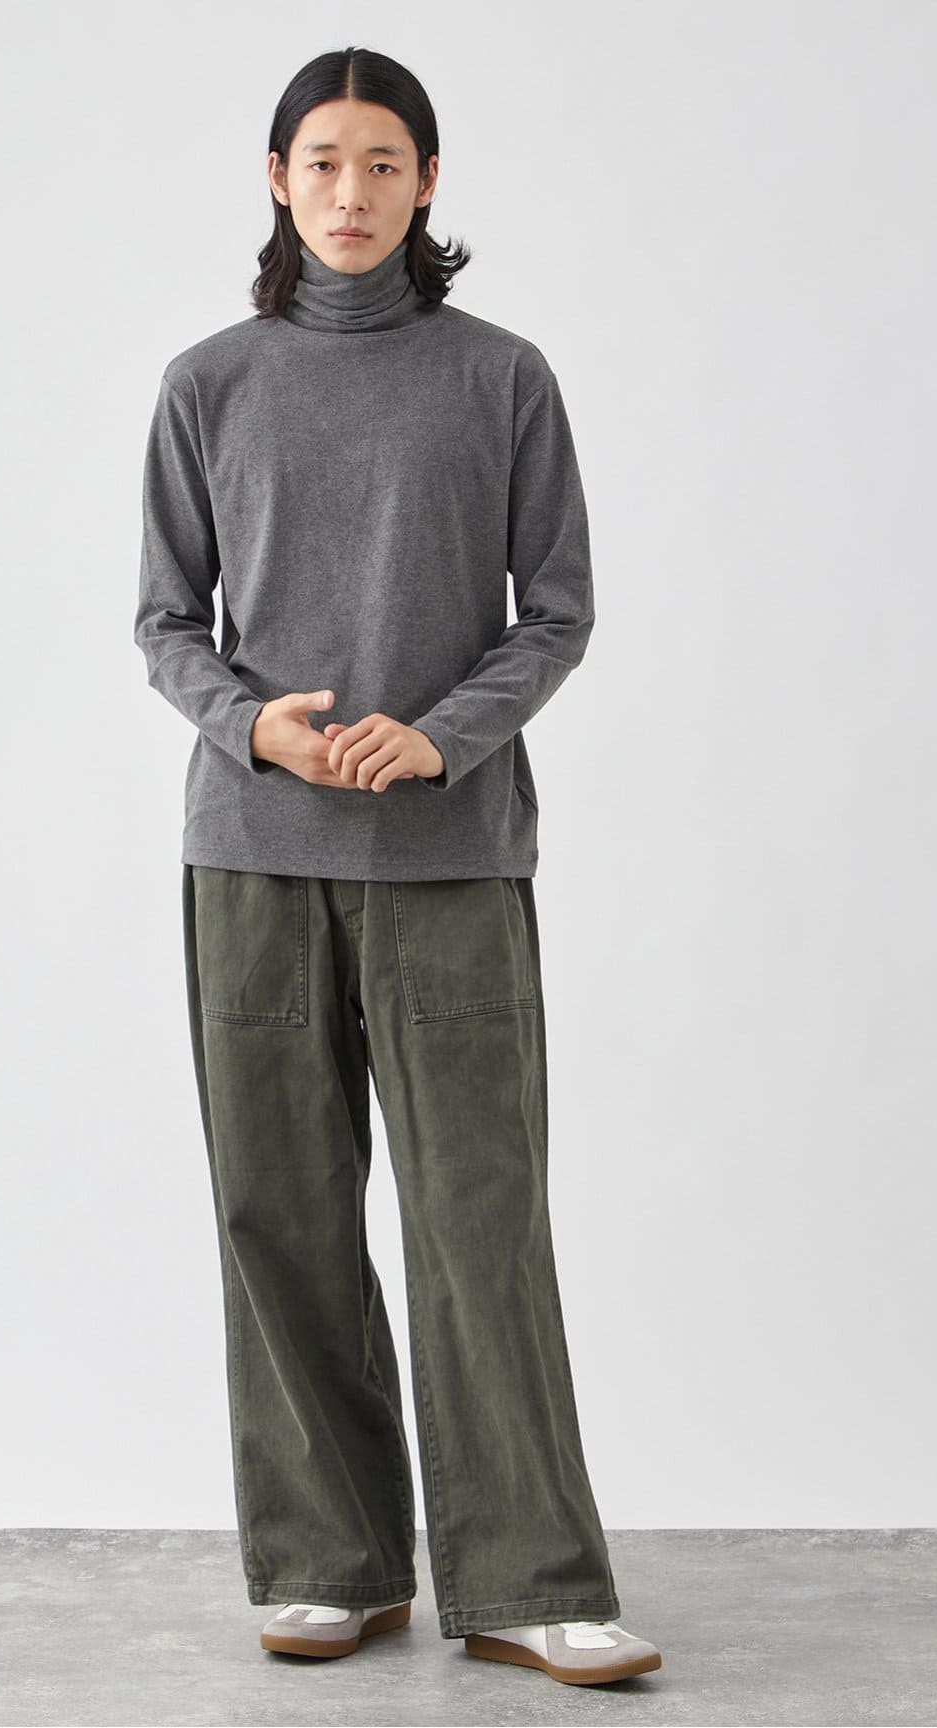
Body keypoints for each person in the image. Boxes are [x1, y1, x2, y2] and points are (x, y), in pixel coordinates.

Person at [134, 45, 663, 1690]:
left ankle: (528, 1578)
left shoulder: (501, 378)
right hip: (254, 859)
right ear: (276, 179)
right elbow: (165, 622)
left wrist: (439, 740)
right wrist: (254, 729)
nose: (351, 192)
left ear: (428, 182)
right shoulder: (208, 383)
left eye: (382, 163)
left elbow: (556, 611)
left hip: (450, 860)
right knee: (279, 1211)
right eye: (322, 162)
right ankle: (327, 1562)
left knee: (477, 1217)